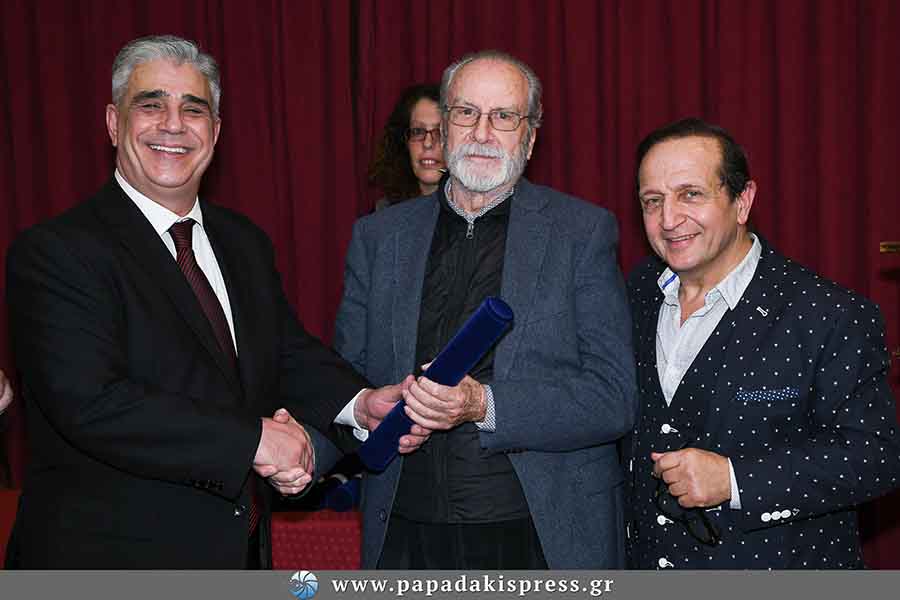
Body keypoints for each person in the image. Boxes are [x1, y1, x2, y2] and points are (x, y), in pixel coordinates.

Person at [3, 34, 419, 569]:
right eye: (151, 105)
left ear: (216, 132)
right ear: (112, 123)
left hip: (237, 559)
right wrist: (254, 441)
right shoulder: (57, 251)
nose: (173, 125)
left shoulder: (243, 242)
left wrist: (359, 403)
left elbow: (285, 354)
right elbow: (93, 403)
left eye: (193, 109)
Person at [333, 50, 636, 569]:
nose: (482, 132)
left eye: (504, 116)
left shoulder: (581, 234)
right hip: (404, 533)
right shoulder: (379, 238)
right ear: (443, 127)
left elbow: (613, 398)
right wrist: (358, 413)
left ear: (530, 137)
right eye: (466, 112)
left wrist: (483, 404)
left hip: (536, 534)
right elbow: (343, 380)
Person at [624, 118, 900, 569]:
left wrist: (734, 480)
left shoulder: (828, 314)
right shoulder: (634, 294)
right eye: (652, 201)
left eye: (690, 194)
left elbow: (876, 458)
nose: (669, 220)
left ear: (743, 201)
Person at [368, 84, 446, 209]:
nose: (428, 143)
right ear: (405, 142)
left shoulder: (474, 214)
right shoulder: (385, 212)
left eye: (440, 132)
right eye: (417, 131)